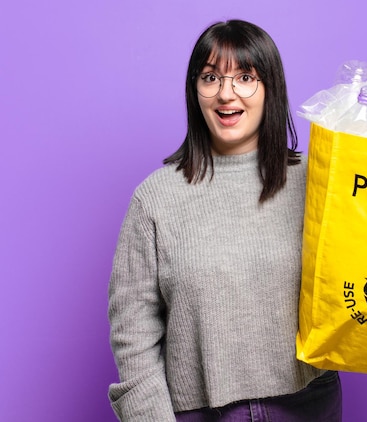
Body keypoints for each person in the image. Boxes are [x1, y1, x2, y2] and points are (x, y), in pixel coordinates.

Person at [107, 19, 342, 421]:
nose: (225, 93)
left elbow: (363, 266)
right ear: (194, 90)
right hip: (199, 413)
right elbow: (133, 334)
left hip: (307, 404)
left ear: (271, 88)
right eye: (210, 77)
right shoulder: (155, 198)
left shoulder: (318, 180)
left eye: (245, 77)